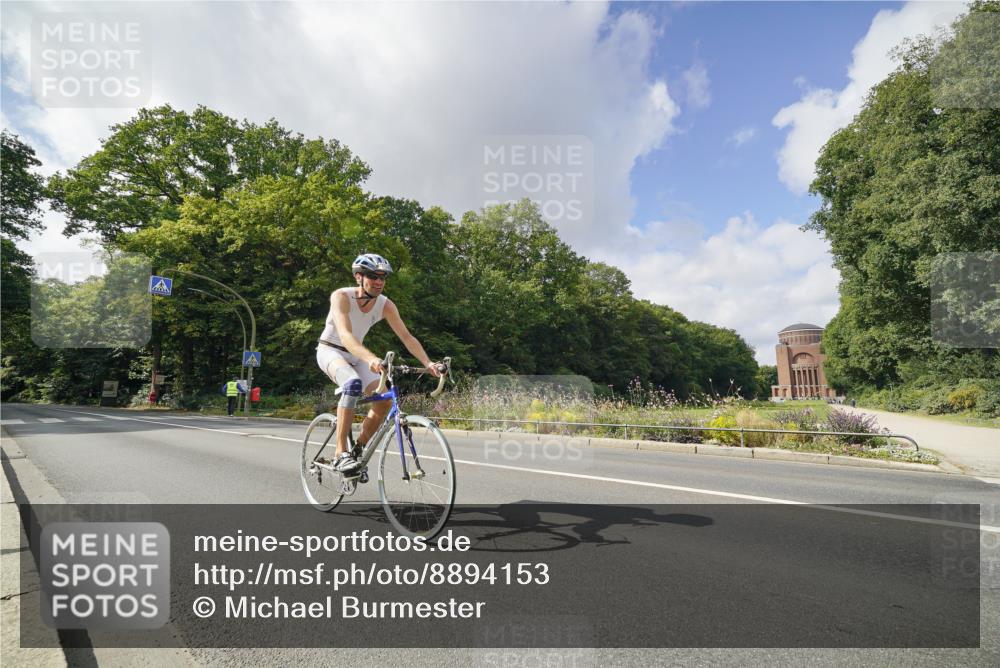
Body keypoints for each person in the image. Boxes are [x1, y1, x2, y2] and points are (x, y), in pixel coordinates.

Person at [316, 253, 443, 473]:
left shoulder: (386, 305)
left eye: (382, 277)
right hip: (331, 351)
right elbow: (345, 336)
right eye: (373, 276)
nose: (379, 282)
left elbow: (407, 337)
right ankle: (340, 452)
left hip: (357, 357)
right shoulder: (341, 297)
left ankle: (357, 451)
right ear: (358, 277)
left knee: (384, 401)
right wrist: (371, 358)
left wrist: (428, 363)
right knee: (352, 384)